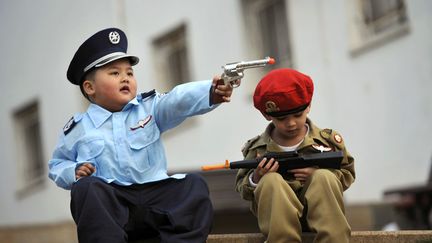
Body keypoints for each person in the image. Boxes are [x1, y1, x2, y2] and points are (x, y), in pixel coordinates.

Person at [48, 27, 236, 243]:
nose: (125, 78)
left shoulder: (150, 108)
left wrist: (210, 92)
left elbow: (177, 100)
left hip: (155, 200)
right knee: (86, 188)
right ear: (90, 87)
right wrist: (74, 172)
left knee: (194, 185)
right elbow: (57, 164)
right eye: (114, 73)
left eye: (129, 72)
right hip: (114, 206)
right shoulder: (78, 128)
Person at [235, 68, 355, 243]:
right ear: (267, 115)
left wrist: (316, 175)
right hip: (277, 219)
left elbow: (347, 172)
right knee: (270, 181)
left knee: (323, 177)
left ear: (308, 107)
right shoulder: (257, 148)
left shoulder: (327, 140)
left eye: (297, 115)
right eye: (282, 119)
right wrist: (257, 177)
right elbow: (242, 188)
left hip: (323, 213)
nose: (291, 123)